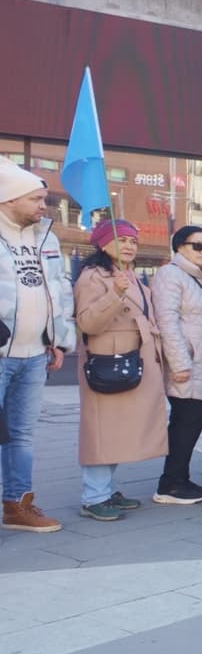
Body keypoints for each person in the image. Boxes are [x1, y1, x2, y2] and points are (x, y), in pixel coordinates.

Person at [74, 220, 168, 521]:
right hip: (108, 362)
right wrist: (114, 293)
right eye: (122, 240)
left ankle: (106, 489)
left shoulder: (130, 276)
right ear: (102, 243)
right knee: (102, 430)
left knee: (118, 429)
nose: (129, 246)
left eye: (133, 241)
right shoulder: (93, 276)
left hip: (131, 359)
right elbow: (88, 322)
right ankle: (94, 496)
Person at [0, 161, 72, 533]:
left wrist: (58, 338)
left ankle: (18, 505)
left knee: (23, 434)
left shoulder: (46, 236)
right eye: (36, 198)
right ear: (9, 198)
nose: (43, 205)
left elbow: (59, 289)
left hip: (33, 355)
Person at [149, 226, 202, 504]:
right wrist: (179, 363)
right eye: (197, 245)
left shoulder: (200, 277)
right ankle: (170, 485)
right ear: (179, 247)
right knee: (186, 420)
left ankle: (179, 478)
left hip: (200, 361)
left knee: (191, 419)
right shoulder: (170, 275)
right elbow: (167, 321)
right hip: (186, 363)